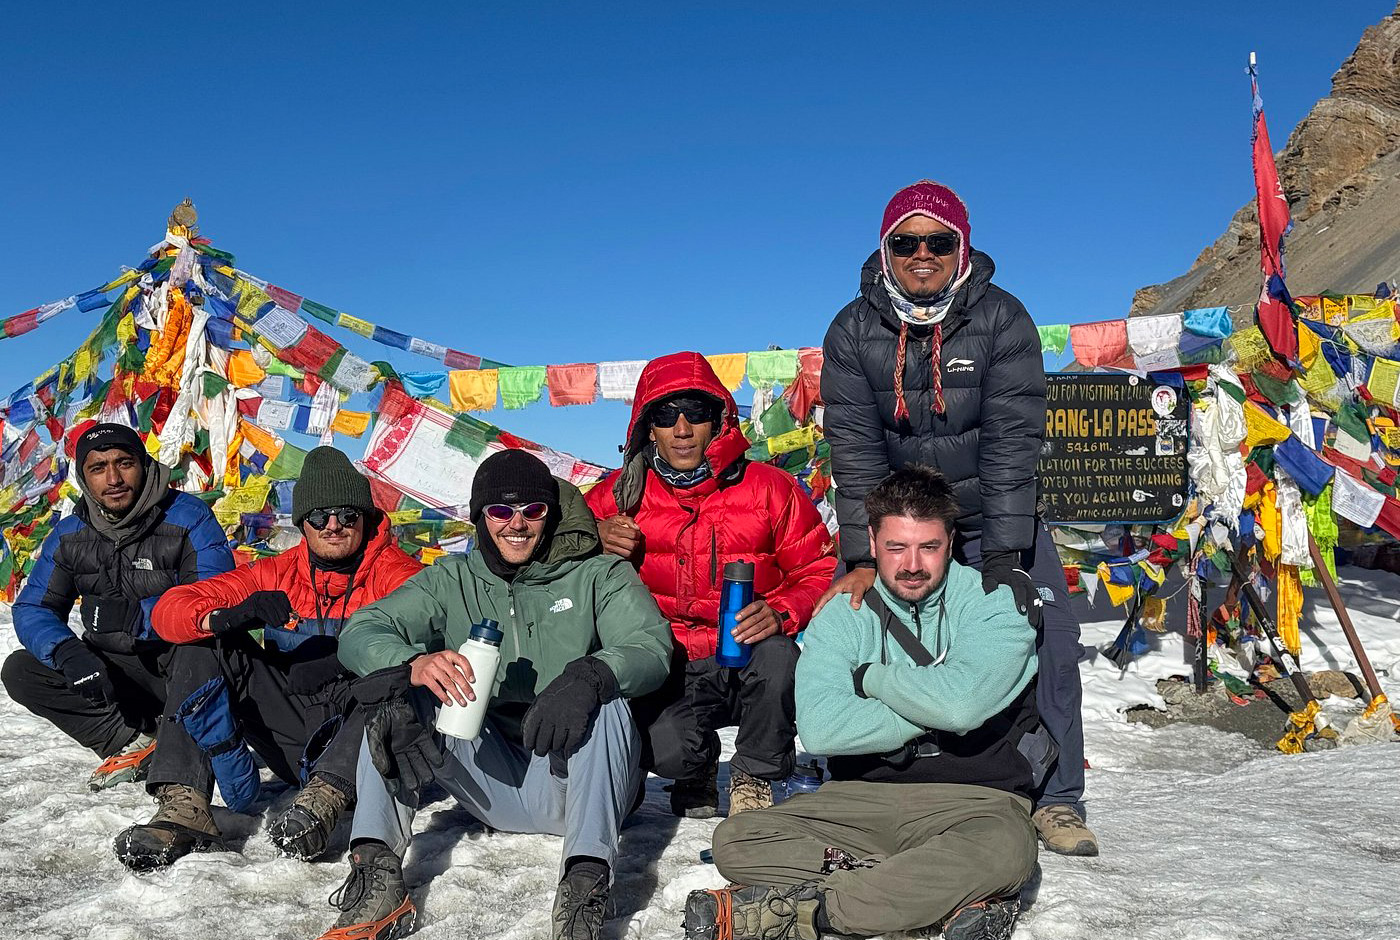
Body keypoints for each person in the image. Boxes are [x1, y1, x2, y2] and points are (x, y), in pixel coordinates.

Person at [818, 179, 1097, 856]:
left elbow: (1011, 444)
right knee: (859, 631)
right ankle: (862, 785)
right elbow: (854, 454)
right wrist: (864, 558)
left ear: (962, 246)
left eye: (938, 241)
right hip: (901, 523)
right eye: (905, 242)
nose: (922, 254)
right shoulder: (853, 331)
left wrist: (1004, 560)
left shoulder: (1003, 320)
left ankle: (1056, 798)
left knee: (1047, 637)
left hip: (993, 515)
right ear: (885, 251)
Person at [316, 449, 673, 940]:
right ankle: (376, 875)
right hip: (489, 778)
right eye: (501, 511)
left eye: (533, 510)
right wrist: (415, 664)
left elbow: (650, 646)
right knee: (398, 695)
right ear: (481, 517)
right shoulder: (452, 579)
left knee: (606, 700)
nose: (518, 525)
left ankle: (585, 884)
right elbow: (364, 629)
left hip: (577, 785)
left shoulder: (598, 574)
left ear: (551, 513)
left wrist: (591, 674)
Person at [686, 466, 1045, 940]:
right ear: (872, 544)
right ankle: (925, 892)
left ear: (951, 542)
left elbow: (960, 707)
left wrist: (870, 677)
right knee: (737, 841)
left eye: (928, 547)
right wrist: (935, 699)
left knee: (1005, 851)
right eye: (896, 547)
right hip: (856, 802)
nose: (912, 564)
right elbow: (822, 728)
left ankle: (810, 914)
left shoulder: (993, 604)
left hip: (975, 801)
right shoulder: (843, 614)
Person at [112, 446, 422, 871]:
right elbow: (171, 611)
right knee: (201, 643)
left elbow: (436, 634)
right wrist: (231, 615)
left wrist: (343, 658)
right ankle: (184, 806)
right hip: (291, 729)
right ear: (302, 523)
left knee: (399, 680)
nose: (334, 526)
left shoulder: (397, 573)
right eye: (320, 516)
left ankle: (327, 796)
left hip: (364, 745)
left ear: (365, 518)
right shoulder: (275, 572)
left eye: (347, 515)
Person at [585, 351, 836, 817]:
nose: (682, 428)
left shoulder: (770, 487)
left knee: (781, 656)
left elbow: (819, 570)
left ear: (719, 418)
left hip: (744, 654)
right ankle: (693, 769)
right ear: (647, 426)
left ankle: (754, 778)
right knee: (669, 751)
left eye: (696, 412)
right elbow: (545, 547)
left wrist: (781, 612)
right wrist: (590, 538)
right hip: (667, 662)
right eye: (665, 414)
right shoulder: (617, 494)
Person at [2, 422, 234, 791]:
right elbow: (34, 607)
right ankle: (133, 740)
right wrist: (66, 652)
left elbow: (214, 595)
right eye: (98, 468)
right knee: (20, 670)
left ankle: (186, 746)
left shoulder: (188, 517)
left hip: (181, 661)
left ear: (143, 464)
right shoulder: (69, 534)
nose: (113, 478)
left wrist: (135, 618)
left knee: (202, 652)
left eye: (124, 463)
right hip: (116, 668)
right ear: (83, 477)